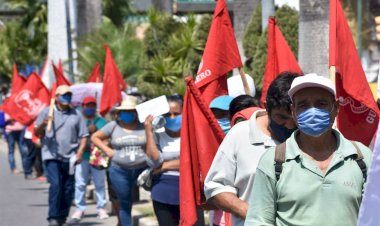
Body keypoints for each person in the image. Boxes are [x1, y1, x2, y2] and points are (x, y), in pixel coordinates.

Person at [245, 73, 373, 226]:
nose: (312, 112)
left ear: (336, 107)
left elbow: (374, 216)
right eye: (304, 105)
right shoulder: (274, 161)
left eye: (321, 104)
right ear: (293, 110)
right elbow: (259, 221)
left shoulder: (362, 157)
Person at [204, 72, 300, 226]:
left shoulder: (312, 137)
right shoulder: (240, 134)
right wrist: (249, 212)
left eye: (295, 118)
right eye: (282, 118)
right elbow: (215, 187)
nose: (289, 125)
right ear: (267, 107)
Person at [35, 85, 88, 226]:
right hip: (51, 155)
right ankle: (53, 216)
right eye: (64, 95)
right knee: (56, 185)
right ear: (57, 97)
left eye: (69, 95)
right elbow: (36, 133)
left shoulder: (76, 114)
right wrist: (43, 124)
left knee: (68, 188)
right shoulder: (47, 112)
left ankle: (62, 216)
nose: (67, 98)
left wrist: (80, 152)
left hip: (70, 157)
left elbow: (83, 135)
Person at [92, 95, 148, 226]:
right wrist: (108, 151)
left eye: (130, 111)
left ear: (136, 112)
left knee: (149, 198)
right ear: (119, 113)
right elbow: (95, 137)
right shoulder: (112, 126)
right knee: (124, 202)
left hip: (143, 170)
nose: (127, 114)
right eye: (124, 111)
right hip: (119, 171)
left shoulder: (144, 126)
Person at [143, 95, 183, 226]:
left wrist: (165, 166)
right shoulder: (158, 135)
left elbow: (193, 163)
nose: (172, 118)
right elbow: (154, 162)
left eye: (176, 114)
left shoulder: (191, 135)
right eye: (168, 114)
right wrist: (149, 132)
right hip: (162, 192)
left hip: (187, 191)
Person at [70, 96, 109, 222]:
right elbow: (73, 136)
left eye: (92, 105)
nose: (90, 108)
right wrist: (87, 130)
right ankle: (80, 208)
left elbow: (108, 137)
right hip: (82, 156)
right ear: (83, 106)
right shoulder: (77, 120)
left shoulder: (101, 121)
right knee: (80, 183)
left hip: (98, 156)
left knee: (99, 183)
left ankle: (101, 208)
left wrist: (96, 131)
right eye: (88, 105)